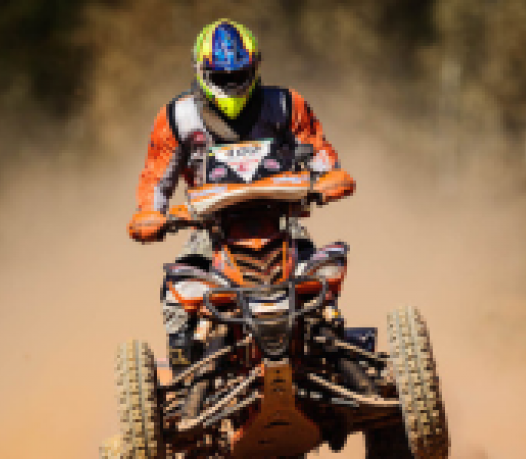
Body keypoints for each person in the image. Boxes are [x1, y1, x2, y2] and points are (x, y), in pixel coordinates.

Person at [127, 18, 355, 374]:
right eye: (222, 77)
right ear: (201, 72)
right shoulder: (178, 117)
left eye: (239, 75)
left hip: (282, 225)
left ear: (255, 68)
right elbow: (156, 178)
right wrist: (150, 214)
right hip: (210, 232)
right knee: (176, 295)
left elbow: (320, 154)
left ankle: (332, 353)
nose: (232, 85)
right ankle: (187, 377)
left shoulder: (285, 104)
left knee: (322, 284)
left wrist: (329, 178)